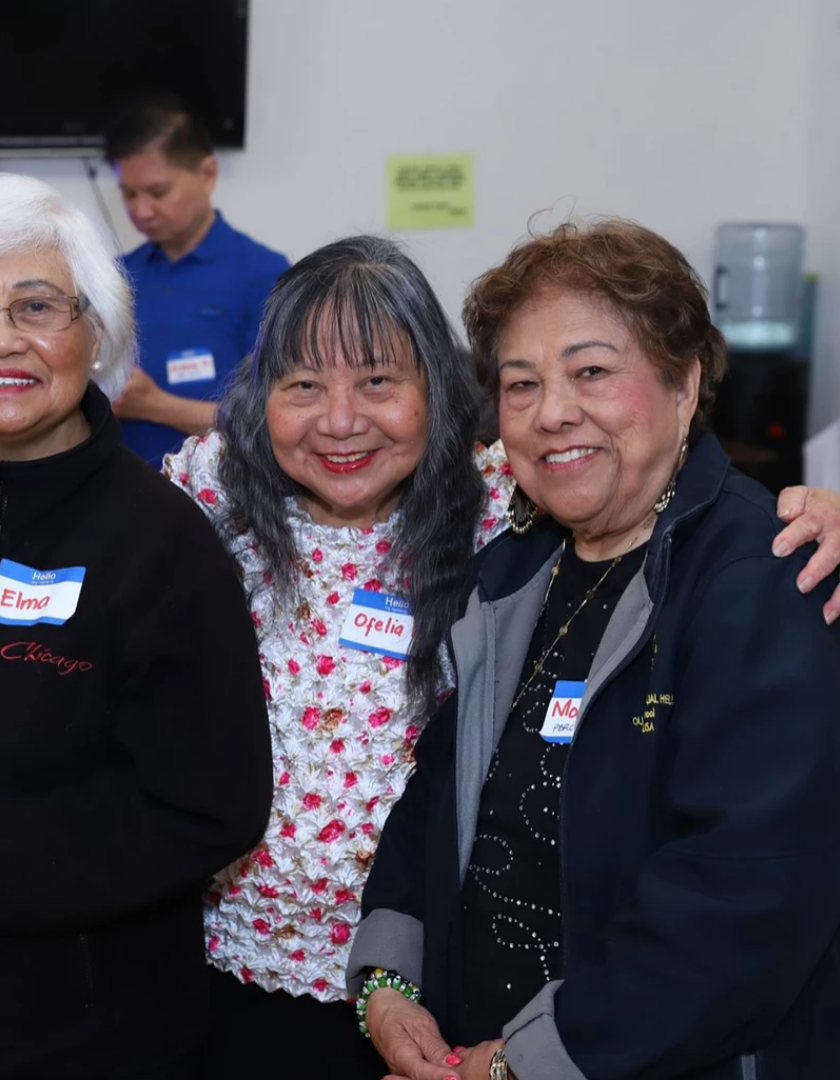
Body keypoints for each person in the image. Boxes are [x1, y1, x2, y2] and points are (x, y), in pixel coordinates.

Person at [162, 236, 840, 1080]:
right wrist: (384, 978)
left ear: (686, 379)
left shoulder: (755, 576)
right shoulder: (519, 563)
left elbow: (742, 902)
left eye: (591, 372)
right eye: (522, 383)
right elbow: (437, 791)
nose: (553, 410)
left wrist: (523, 1063)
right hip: (445, 1031)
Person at [0, 173, 272, 1080]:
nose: (0, 338)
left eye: (37, 306)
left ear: (95, 333)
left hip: (89, 1039)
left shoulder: (162, 543)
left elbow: (211, 809)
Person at [104, 91, 289, 464]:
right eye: (129, 194)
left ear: (207, 175)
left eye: (158, 192)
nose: (141, 210)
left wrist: (159, 406)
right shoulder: (116, 275)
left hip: (226, 494)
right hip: (129, 489)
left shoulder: (262, 272)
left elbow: (279, 416)